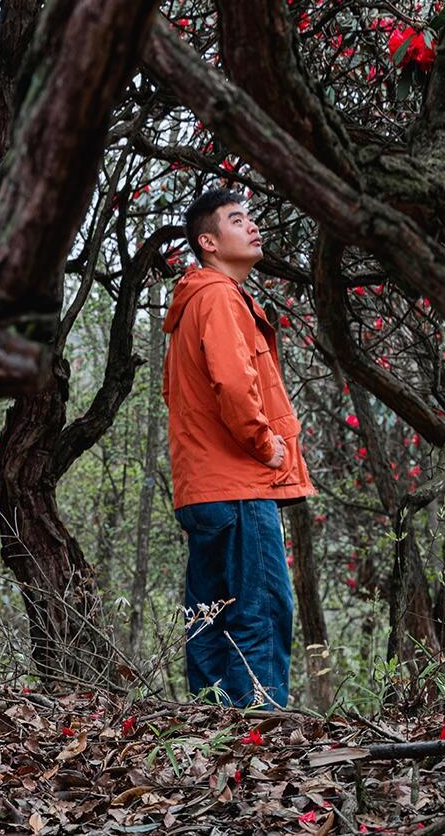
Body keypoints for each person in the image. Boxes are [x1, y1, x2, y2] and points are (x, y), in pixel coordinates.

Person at [161, 187, 316, 710]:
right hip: (238, 486)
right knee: (260, 612)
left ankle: (212, 734)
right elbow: (232, 382)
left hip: (203, 491)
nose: (252, 226)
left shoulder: (192, 304)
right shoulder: (220, 297)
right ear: (208, 242)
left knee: (209, 619)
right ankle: (261, 738)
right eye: (236, 220)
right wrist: (264, 443)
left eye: (250, 218)